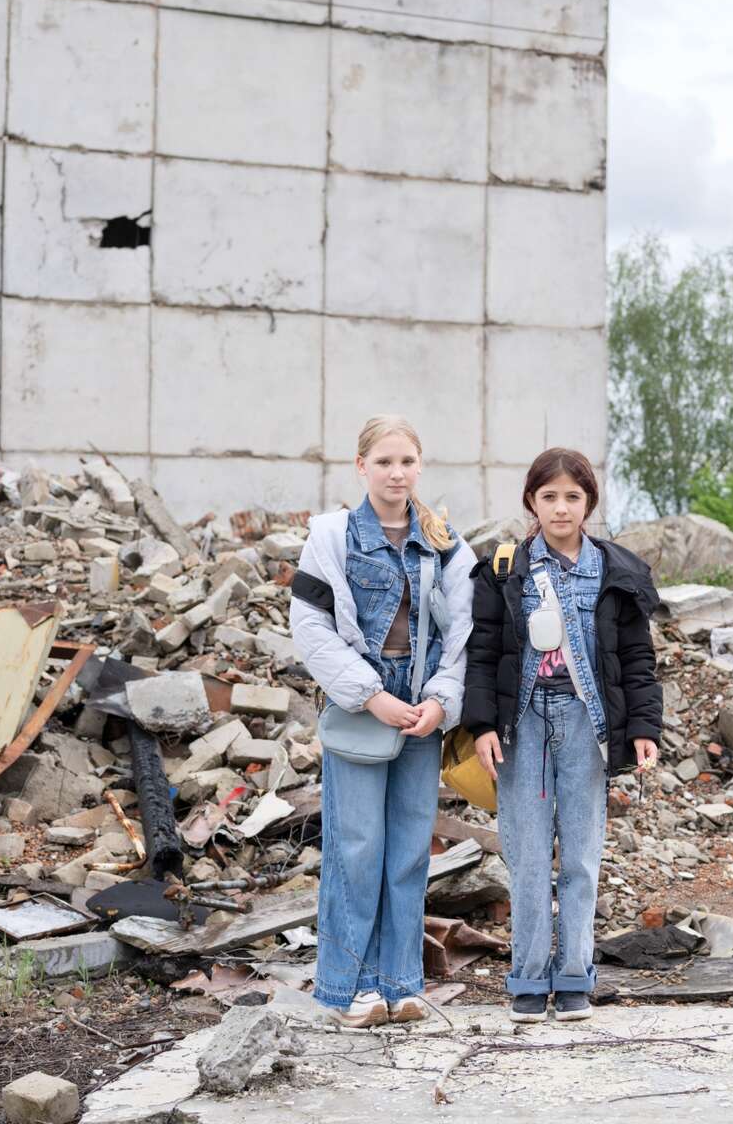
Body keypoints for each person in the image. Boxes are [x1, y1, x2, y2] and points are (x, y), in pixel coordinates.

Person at [462, 447, 662, 1022]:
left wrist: (644, 728)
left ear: (589, 503)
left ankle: (574, 977)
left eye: (572, 496)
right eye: (548, 496)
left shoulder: (618, 572)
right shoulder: (505, 570)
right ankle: (527, 979)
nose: (560, 507)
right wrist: (480, 726)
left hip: (585, 725)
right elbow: (482, 653)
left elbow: (636, 659)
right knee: (526, 858)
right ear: (531, 501)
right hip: (522, 726)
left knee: (580, 856)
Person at [291, 415, 475, 1026]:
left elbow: (465, 635)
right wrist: (370, 695)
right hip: (361, 708)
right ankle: (352, 989)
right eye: (384, 462)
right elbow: (311, 629)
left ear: (420, 467)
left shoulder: (446, 543)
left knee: (407, 853)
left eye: (407, 462)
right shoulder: (332, 536)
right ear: (361, 466)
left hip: (422, 712)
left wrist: (442, 701)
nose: (396, 473)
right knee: (357, 847)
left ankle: (401, 985)